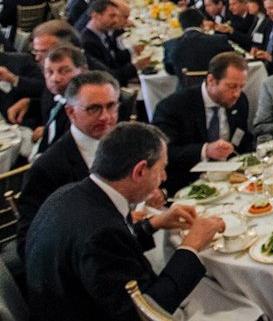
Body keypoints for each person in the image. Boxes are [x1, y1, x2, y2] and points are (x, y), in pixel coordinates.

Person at [25, 122, 224, 320]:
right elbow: (144, 312)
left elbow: (113, 255)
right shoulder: (101, 233)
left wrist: (153, 224)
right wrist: (192, 245)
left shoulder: (69, 194)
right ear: (139, 171)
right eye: (161, 169)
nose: (163, 178)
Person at [17, 70, 119, 259]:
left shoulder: (123, 143)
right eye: (94, 109)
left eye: (111, 106)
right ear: (70, 112)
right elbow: (28, 244)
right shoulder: (48, 168)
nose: (105, 117)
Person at [151, 52, 254, 193]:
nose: (237, 93)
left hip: (232, 181)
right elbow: (164, 153)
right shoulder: (173, 106)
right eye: (231, 86)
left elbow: (242, 137)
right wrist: (205, 150)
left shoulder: (239, 102)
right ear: (211, 80)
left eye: (241, 87)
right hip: (188, 184)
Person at [161, 8, 235, 83]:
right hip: (215, 87)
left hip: (185, 91)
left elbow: (170, 70)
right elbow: (234, 59)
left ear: (181, 26)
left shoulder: (170, 45)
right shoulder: (218, 40)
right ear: (202, 23)